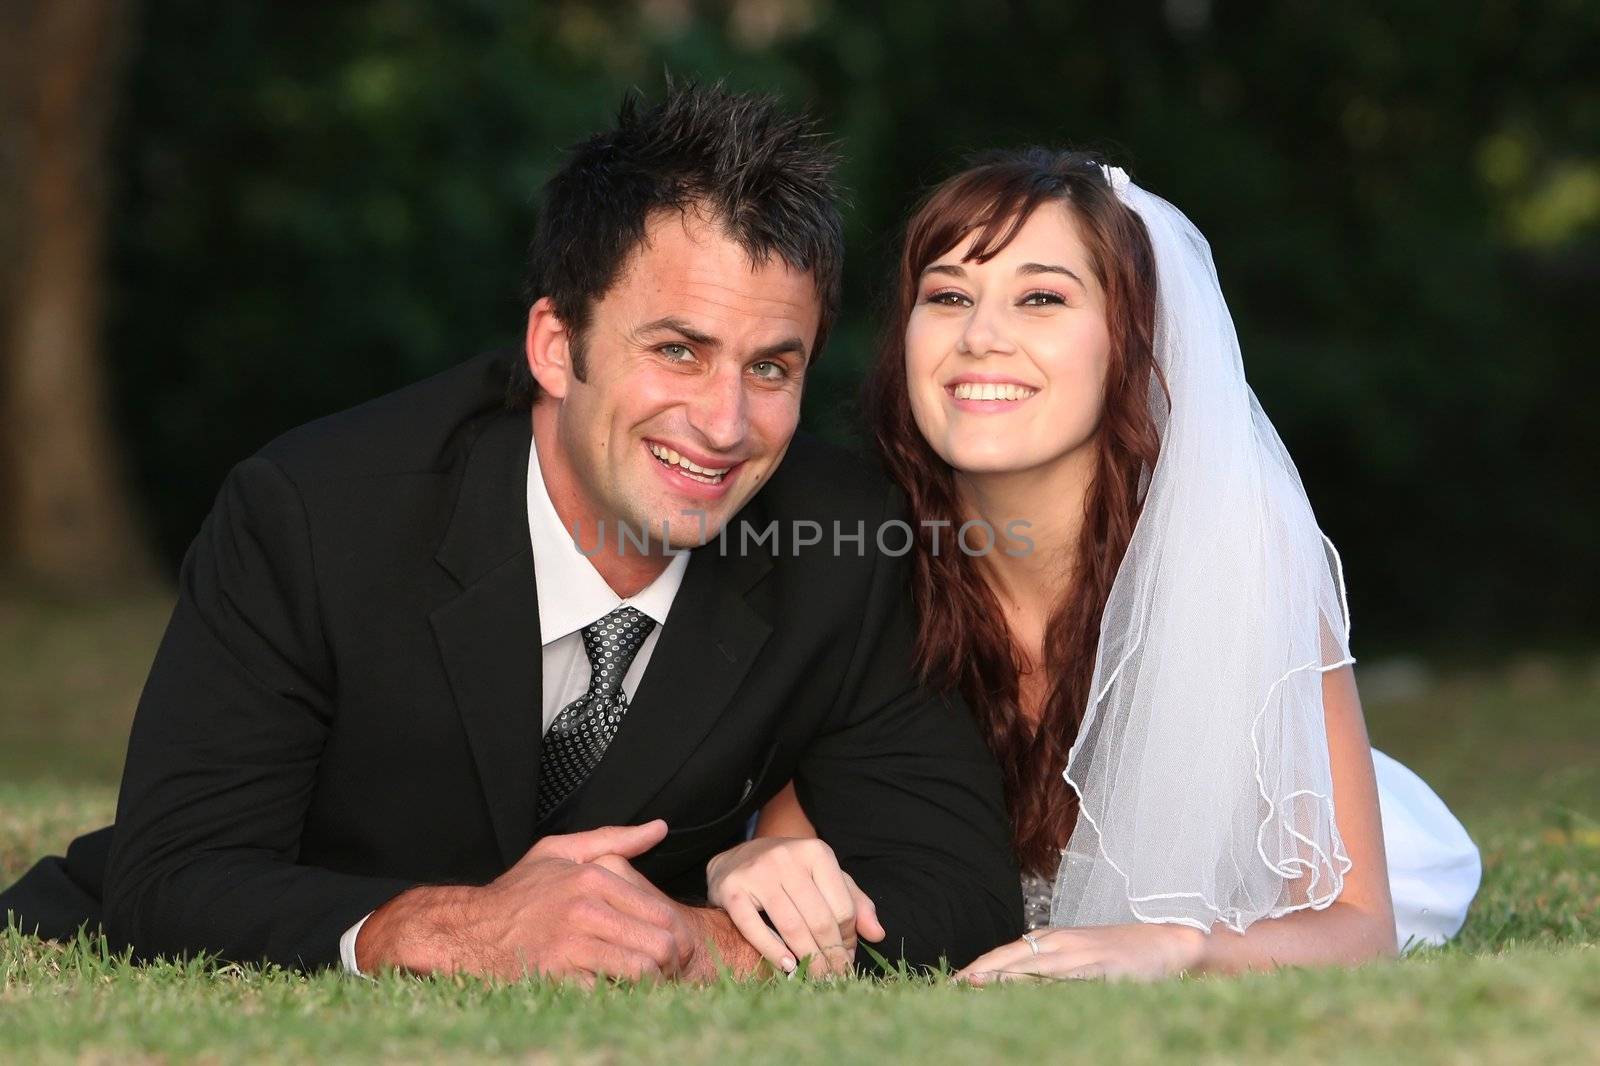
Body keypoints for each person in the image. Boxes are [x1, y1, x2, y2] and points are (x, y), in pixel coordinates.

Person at [0, 84, 1023, 981]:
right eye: (677, 349)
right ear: (553, 344)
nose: (723, 424)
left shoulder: (846, 547)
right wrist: (449, 930)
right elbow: (175, 872)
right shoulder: (311, 513)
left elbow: (958, 893)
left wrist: (702, 944)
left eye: (771, 367)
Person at [705, 150, 1482, 980]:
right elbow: (795, 845)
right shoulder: (863, 561)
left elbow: (1360, 926)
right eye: (948, 296)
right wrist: (739, 864)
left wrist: (1179, 947)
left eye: (1041, 298)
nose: (981, 337)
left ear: (1129, 336)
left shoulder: (1231, 570)